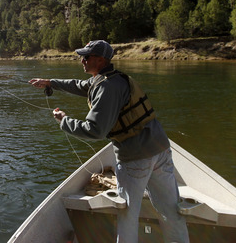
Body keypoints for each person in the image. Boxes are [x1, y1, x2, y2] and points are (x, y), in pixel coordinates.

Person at [29, 40, 189, 243]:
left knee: (127, 215)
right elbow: (80, 86)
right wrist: (50, 82)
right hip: (160, 150)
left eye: (86, 57)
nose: (82, 60)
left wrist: (64, 121)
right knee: (171, 211)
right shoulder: (114, 78)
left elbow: (95, 131)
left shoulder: (106, 87)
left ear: (100, 59)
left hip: (135, 158)